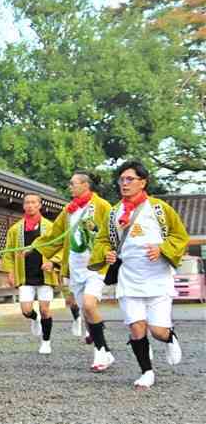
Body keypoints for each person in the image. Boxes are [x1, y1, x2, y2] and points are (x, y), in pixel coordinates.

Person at [90, 160, 188, 388]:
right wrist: (107, 253)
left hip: (157, 278)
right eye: (121, 179)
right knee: (136, 326)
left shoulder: (159, 209)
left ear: (142, 182)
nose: (124, 184)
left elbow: (179, 235)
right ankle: (147, 372)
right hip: (129, 277)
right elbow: (103, 240)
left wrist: (162, 249)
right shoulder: (114, 213)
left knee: (157, 330)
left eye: (130, 179)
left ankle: (169, 337)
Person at [33, 171, 115, 371]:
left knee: (88, 305)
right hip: (75, 267)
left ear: (86, 185)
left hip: (95, 265)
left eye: (73, 183)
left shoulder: (102, 206)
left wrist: (111, 251)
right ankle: (104, 350)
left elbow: (113, 231)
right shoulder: (69, 210)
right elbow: (55, 234)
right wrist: (34, 247)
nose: (70, 187)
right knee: (87, 313)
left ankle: (100, 353)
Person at [2, 194, 57, 354]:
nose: (30, 205)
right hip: (25, 274)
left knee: (45, 309)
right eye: (27, 202)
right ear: (23, 206)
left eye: (34, 202)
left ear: (40, 205)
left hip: (44, 274)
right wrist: (10, 271)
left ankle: (46, 341)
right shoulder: (15, 229)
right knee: (26, 310)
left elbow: (59, 247)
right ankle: (35, 318)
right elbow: (8, 253)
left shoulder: (50, 227)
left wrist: (53, 262)